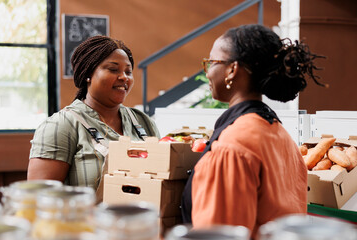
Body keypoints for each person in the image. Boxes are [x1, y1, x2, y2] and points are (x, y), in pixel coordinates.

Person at [181, 24, 326, 239]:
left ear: (232, 69)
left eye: (212, 62)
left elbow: (219, 234)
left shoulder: (234, 145)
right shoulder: (279, 134)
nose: (208, 71)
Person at [28, 35, 160, 190]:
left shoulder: (143, 122)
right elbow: (39, 198)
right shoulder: (62, 125)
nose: (124, 77)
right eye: (113, 69)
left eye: (128, 71)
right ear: (88, 74)